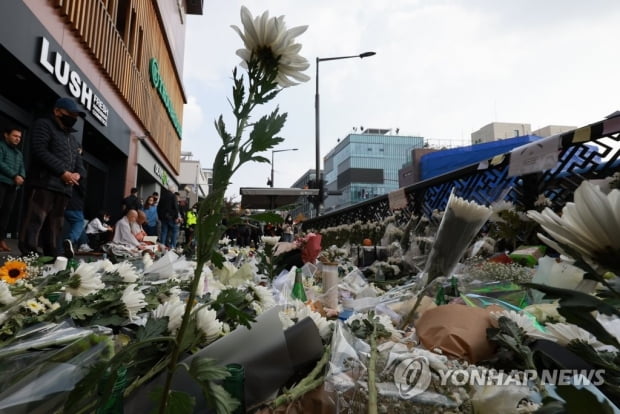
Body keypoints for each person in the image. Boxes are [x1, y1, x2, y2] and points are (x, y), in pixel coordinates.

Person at [19, 97, 85, 257]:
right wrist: (63, 172)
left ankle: (51, 256)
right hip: (44, 183)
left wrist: (77, 174)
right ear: (57, 111)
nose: (73, 118)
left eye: (75, 116)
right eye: (69, 114)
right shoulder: (44, 125)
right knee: (35, 220)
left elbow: (80, 165)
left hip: (64, 189)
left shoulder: (73, 139)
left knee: (56, 225)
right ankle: (29, 255)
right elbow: (40, 150)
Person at [0, 126, 25, 252]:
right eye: (15, 136)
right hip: (2, 182)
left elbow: (22, 168)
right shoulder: (1, 146)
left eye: (19, 137)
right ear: (6, 135)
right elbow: (1, 163)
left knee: (6, 213)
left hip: (13, 186)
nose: (17, 139)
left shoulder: (19, 153)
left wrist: (21, 177)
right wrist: (14, 175)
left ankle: (1, 240)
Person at [62, 173, 92, 256]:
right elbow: (83, 191)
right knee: (79, 222)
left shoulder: (65, 174)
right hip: (74, 206)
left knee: (76, 226)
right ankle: (71, 240)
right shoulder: (78, 179)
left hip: (61, 203)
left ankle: (82, 244)